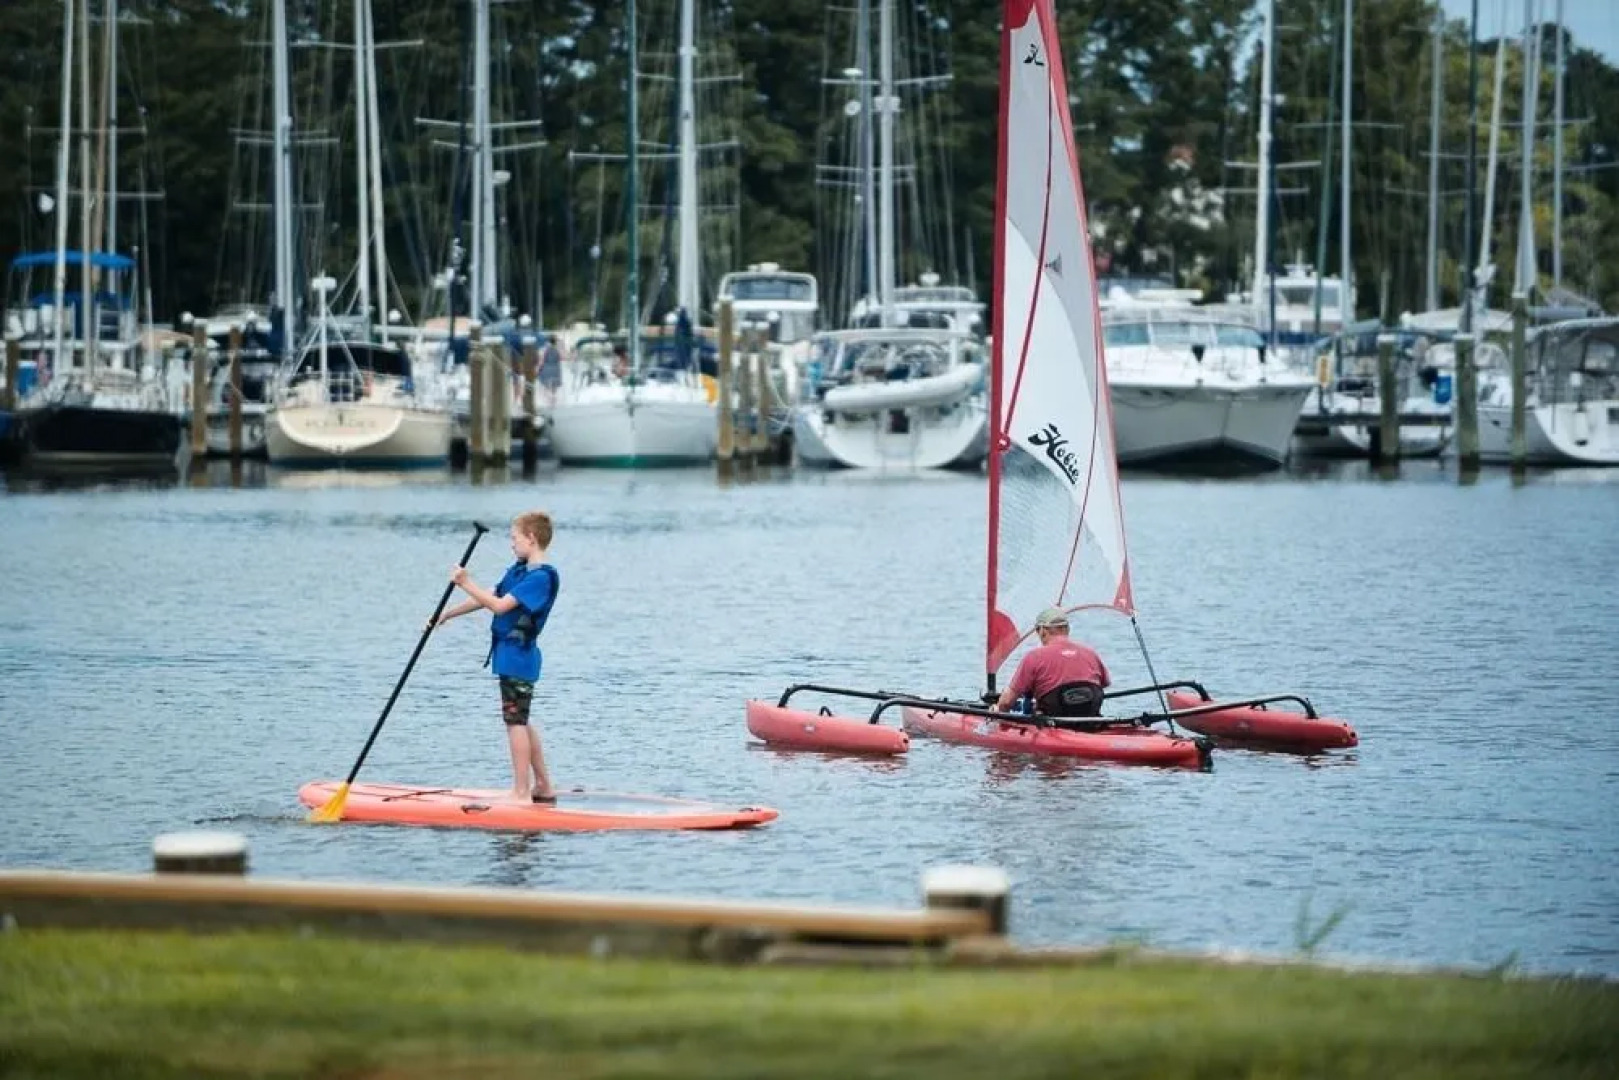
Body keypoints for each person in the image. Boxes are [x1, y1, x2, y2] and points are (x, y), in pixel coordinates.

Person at [435, 511, 561, 803]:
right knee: (521, 719)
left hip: (520, 656)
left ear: (531, 538)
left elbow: (499, 606)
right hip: (509, 655)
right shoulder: (518, 571)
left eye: (515, 538)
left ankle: (521, 792)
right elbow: (486, 596)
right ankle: (543, 786)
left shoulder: (540, 578)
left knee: (515, 722)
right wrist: (446, 614)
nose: (512, 544)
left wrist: (465, 581)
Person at [994, 607, 1110, 717]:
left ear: (1043, 631)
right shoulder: (1091, 653)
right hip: (1089, 719)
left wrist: (997, 711)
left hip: (1054, 721)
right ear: (1067, 629)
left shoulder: (1033, 657)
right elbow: (1105, 683)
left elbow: (1006, 702)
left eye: (1037, 630)